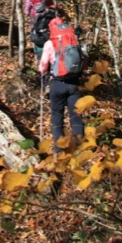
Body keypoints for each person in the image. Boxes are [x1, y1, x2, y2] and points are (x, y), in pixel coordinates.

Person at [39, 16, 84, 152]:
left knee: (57, 118)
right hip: (74, 84)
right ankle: (80, 151)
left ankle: (59, 153)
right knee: (76, 117)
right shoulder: (73, 39)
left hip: (57, 84)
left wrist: (43, 73)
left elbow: (42, 66)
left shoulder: (49, 43)